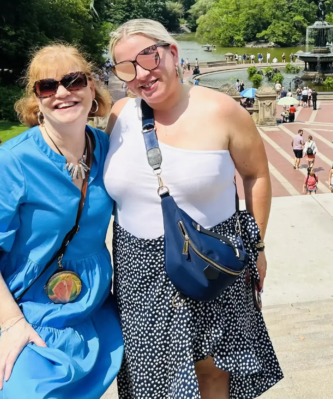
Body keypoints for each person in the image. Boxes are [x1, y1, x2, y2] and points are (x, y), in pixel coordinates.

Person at [104, 20, 282, 398]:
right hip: (138, 268)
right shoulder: (120, 116)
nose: (141, 74)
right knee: (149, 372)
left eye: (148, 57)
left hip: (208, 259)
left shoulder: (223, 110)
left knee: (214, 367)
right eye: (126, 68)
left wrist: (258, 246)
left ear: (172, 52)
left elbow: (256, 176)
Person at [0, 44, 123, 398]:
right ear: (36, 100)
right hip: (20, 306)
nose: (62, 92)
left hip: (89, 308)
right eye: (47, 86)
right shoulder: (12, 162)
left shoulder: (106, 147)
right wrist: (12, 324)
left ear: (92, 87)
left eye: (73, 81)